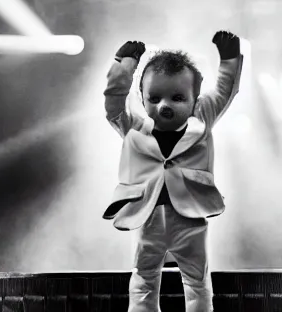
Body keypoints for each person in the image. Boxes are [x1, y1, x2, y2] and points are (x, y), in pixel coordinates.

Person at [103, 31, 243, 312]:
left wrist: (229, 60)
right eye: (154, 98)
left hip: (190, 218)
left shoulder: (201, 120)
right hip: (148, 217)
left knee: (198, 284)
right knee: (143, 281)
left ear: (195, 100)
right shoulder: (134, 128)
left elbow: (226, 91)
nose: (164, 105)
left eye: (177, 97)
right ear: (142, 99)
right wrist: (123, 66)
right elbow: (114, 104)